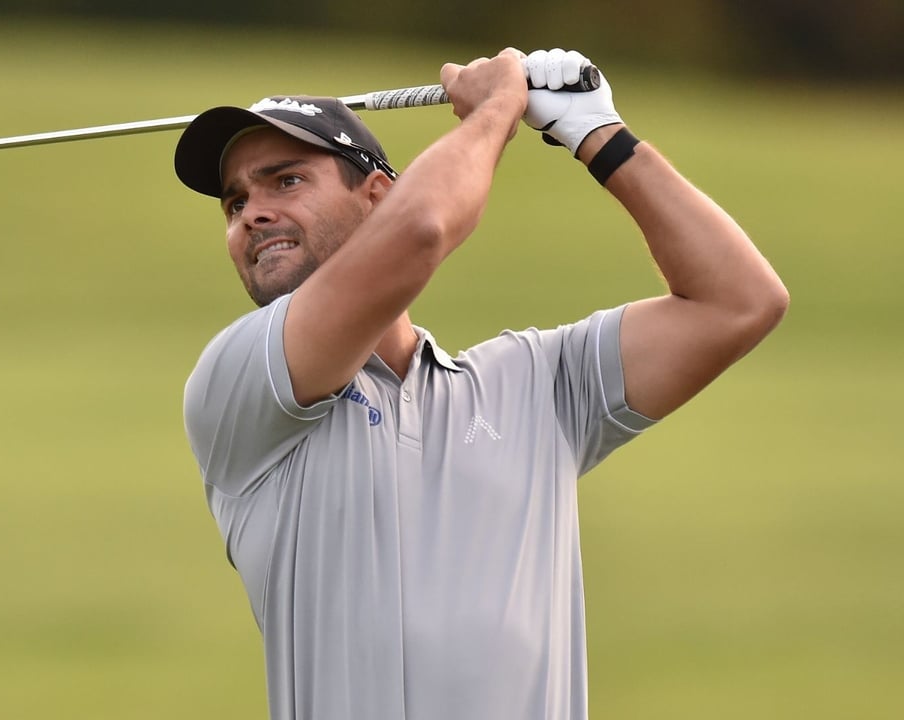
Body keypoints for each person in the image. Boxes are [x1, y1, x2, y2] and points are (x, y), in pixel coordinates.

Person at [173, 47, 788, 720]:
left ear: (377, 196)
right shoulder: (242, 383)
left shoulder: (535, 383)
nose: (251, 214)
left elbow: (740, 301)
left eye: (285, 182)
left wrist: (598, 135)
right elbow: (421, 229)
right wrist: (497, 109)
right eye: (235, 203)